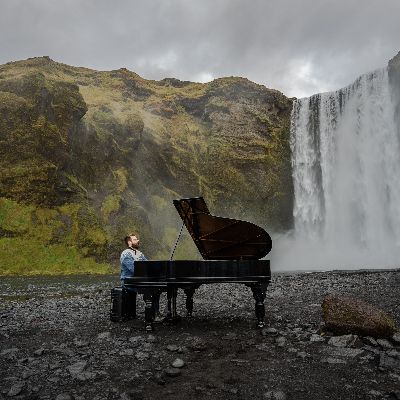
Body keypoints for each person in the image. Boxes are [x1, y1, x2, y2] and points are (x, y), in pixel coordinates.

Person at [120, 233, 162, 321]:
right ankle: (151, 314)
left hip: (139, 279)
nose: (138, 241)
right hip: (129, 281)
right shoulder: (126, 254)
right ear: (129, 242)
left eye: (137, 239)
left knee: (156, 289)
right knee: (149, 289)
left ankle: (155, 312)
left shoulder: (139, 253)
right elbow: (134, 270)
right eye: (135, 240)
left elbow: (147, 265)